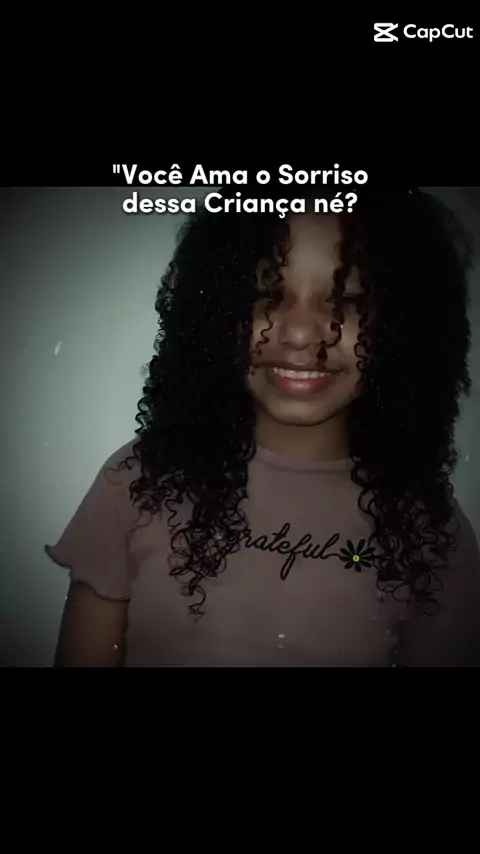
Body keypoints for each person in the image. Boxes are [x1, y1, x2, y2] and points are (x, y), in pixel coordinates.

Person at [45, 186, 480, 667]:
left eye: (347, 299)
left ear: (404, 325)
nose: (299, 333)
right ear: (215, 314)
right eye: (267, 294)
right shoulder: (139, 482)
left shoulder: (429, 532)